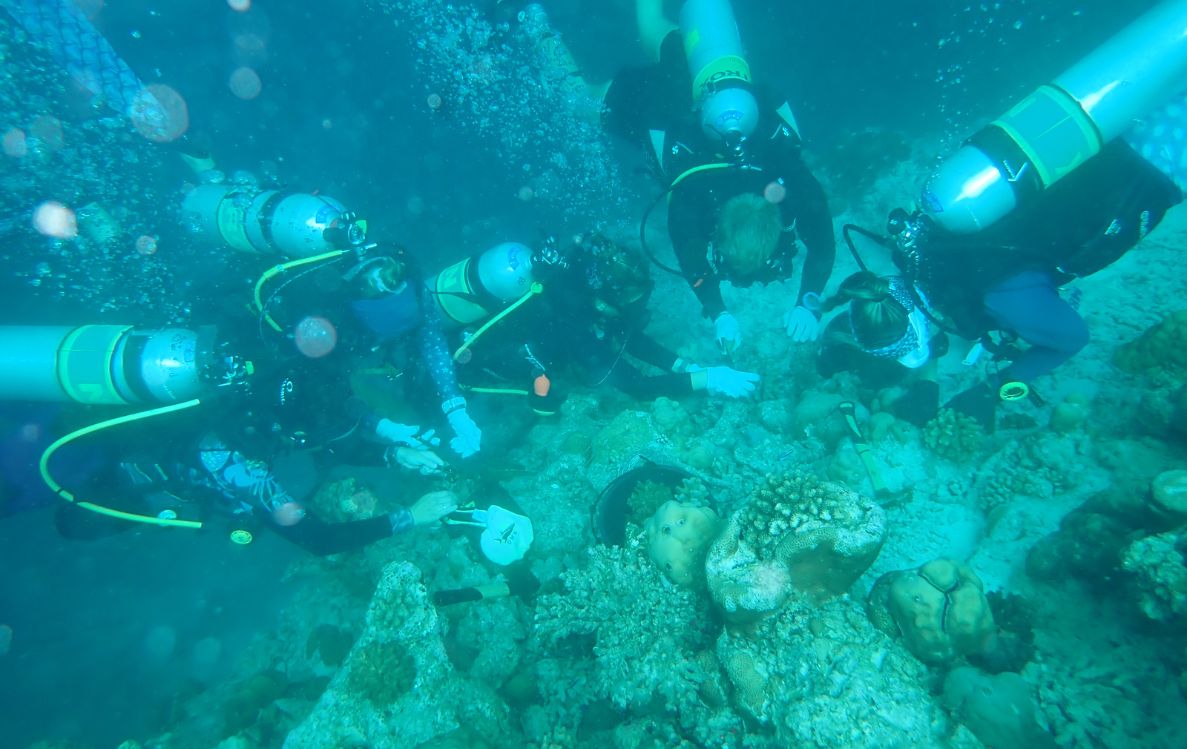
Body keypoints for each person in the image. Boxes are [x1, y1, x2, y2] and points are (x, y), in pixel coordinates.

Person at [818, 137, 1182, 429]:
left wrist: (994, 389)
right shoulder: (924, 248)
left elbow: (1072, 339)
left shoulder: (1003, 298)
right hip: (1096, 141)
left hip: (1155, 168)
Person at [52, 329, 460, 556]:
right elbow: (319, 540)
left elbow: (321, 440)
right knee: (93, 517)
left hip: (150, 463)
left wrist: (394, 453)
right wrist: (413, 516)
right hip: (145, 482)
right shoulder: (232, 461)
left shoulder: (264, 396)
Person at [597, 0, 836, 352]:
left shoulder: (789, 178)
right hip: (666, 100)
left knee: (654, 25)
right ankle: (542, 38)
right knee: (585, 101)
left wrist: (809, 301)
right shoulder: (693, 197)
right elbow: (689, 255)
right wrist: (718, 311)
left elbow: (824, 247)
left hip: (707, 73)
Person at [458, 232, 760, 412]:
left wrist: (685, 367)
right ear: (604, 300)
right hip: (482, 362)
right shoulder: (573, 328)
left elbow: (628, 336)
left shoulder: (584, 293)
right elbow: (638, 386)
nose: (636, 309)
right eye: (631, 302)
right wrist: (710, 379)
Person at [340, 245, 485, 459]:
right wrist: (380, 426)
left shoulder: (417, 289)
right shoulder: (334, 327)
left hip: (397, 345)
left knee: (429, 405)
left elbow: (431, 339)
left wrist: (455, 406)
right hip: (359, 349)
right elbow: (329, 394)